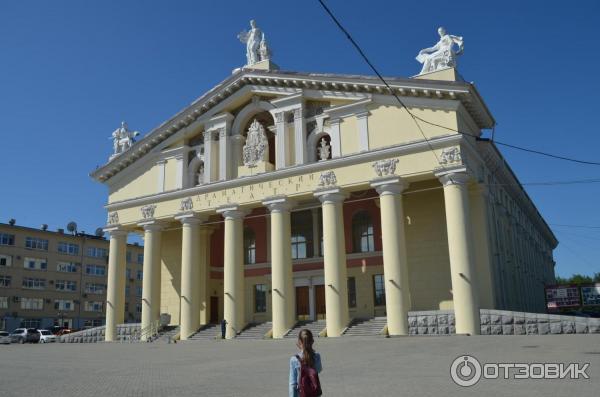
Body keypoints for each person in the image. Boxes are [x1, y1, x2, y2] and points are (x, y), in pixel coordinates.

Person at [289, 329, 322, 397]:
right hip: (314, 392)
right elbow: (319, 370)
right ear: (312, 341)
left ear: (299, 342)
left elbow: (292, 383)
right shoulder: (317, 356)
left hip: (301, 393)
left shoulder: (294, 359)